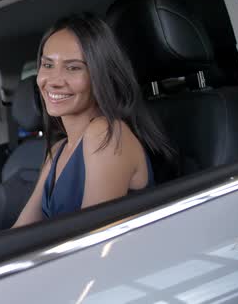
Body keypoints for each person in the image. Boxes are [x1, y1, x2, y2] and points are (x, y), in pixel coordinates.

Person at [12, 13, 173, 227]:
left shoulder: (106, 133)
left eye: (73, 67)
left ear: (100, 75)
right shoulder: (58, 150)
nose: (54, 81)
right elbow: (22, 230)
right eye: (48, 65)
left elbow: (91, 241)